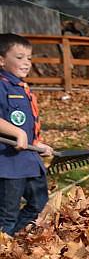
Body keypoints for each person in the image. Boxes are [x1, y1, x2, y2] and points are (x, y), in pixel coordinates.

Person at [0, 33, 54, 236]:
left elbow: (26, 122)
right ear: (1, 60)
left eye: (29, 58)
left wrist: (38, 144)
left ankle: (10, 240)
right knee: (7, 214)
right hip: (9, 165)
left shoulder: (22, 88)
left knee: (39, 204)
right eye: (19, 57)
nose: (26, 63)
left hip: (29, 161)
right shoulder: (2, 86)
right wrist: (16, 132)